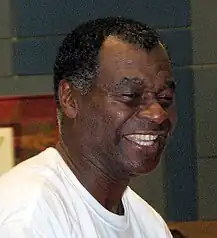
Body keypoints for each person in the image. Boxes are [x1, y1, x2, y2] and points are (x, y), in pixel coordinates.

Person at [0, 17, 176, 237]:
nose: (158, 114)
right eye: (130, 95)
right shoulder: (28, 216)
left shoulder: (150, 226)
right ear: (70, 99)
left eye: (165, 98)